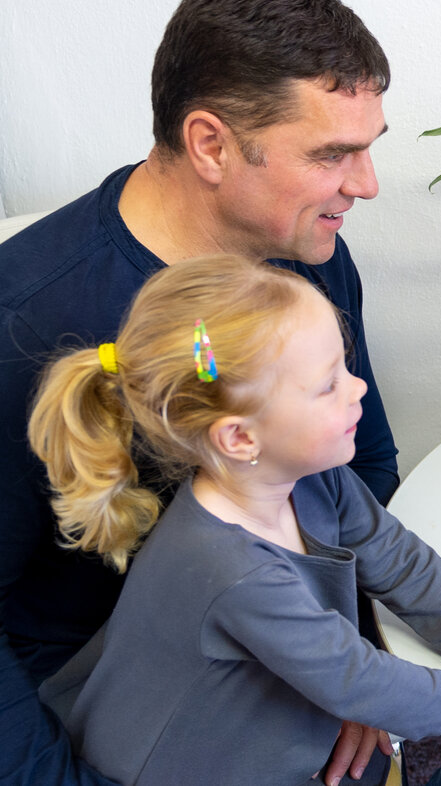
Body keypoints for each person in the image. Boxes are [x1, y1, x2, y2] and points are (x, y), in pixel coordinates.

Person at [0, 1, 405, 783]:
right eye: (331, 154)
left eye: (368, 150)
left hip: (282, 657)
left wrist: (345, 659)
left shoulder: (308, 255)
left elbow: (365, 467)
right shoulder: (26, 323)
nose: (366, 185)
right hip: (104, 716)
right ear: (211, 144)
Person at [29, 254, 441, 785]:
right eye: (328, 385)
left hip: (267, 733)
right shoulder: (230, 569)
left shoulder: (310, 477)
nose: (359, 387)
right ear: (241, 437)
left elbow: (393, 555)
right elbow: (356, 678)